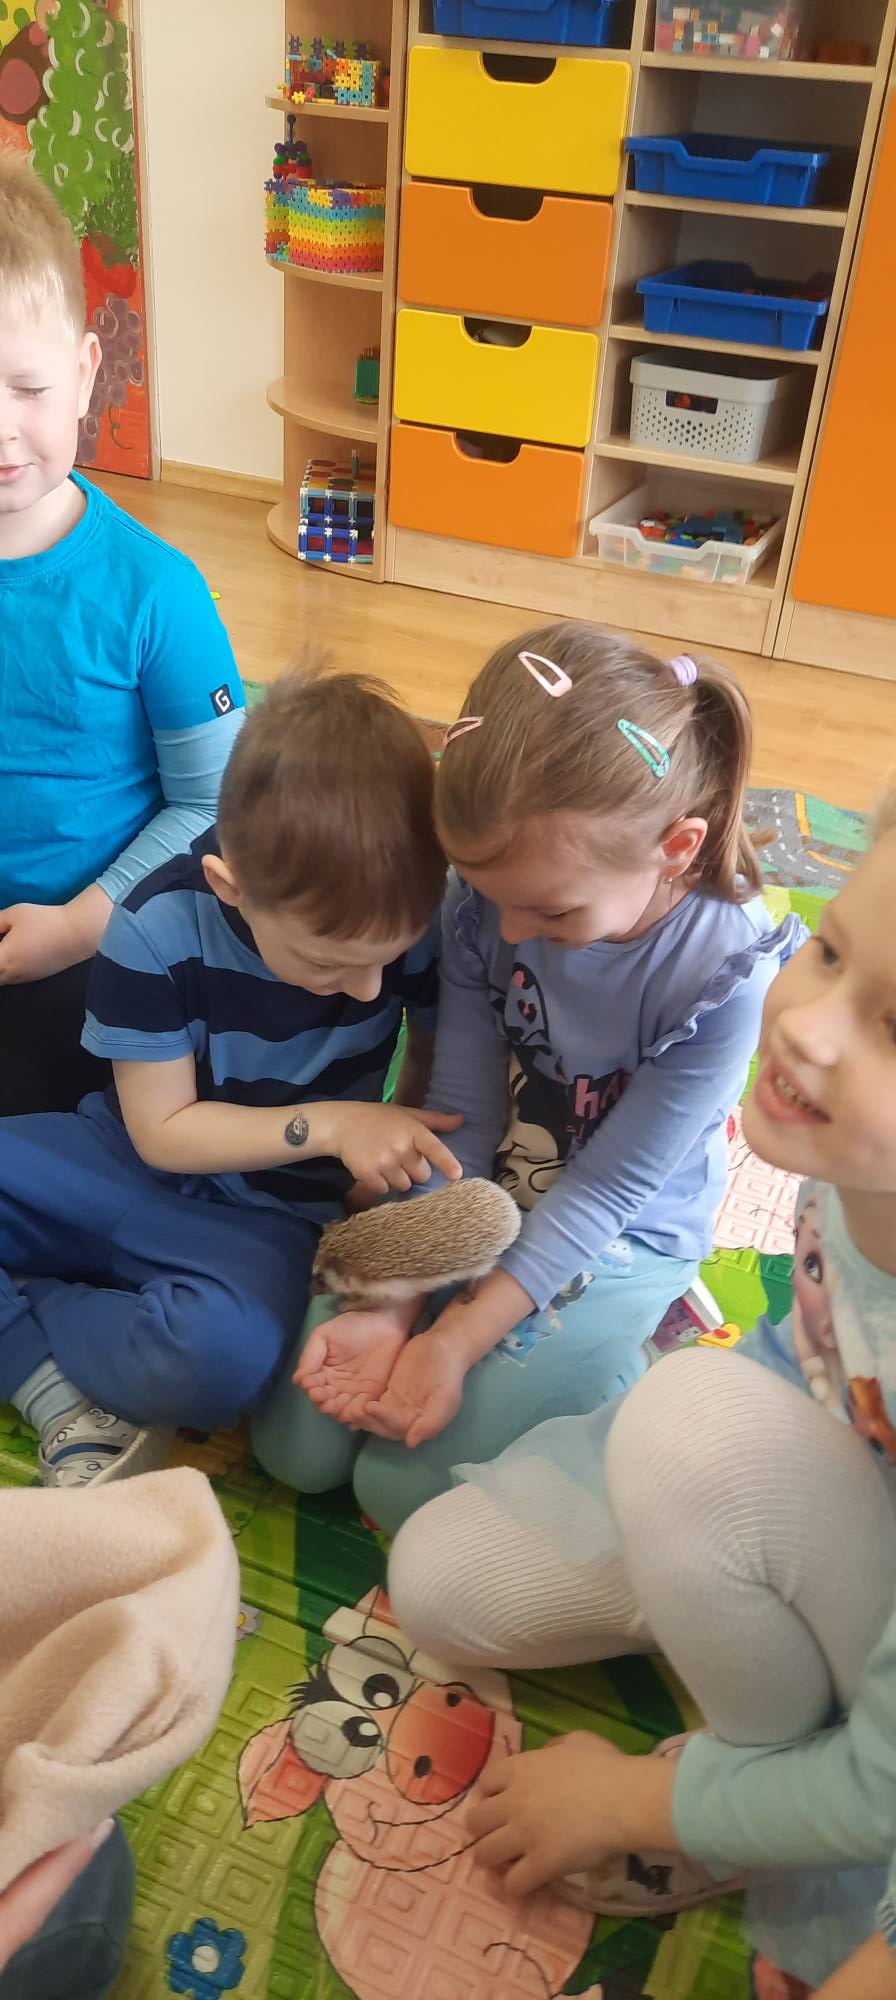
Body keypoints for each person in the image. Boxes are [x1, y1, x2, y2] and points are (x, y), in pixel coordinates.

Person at [388, 795, 896, 1998]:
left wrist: (637, 1798)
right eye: (830, 948)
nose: (807, 1024)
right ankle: (771, 1731)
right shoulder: (850, 1166)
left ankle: (755, 1791)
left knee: (682, 1419)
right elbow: (808, 1349)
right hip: (823, 1496)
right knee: (439, 1579)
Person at [253, 621, 801, 1532]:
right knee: (299, 1452)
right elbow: (461, 1115)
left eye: (549, 911)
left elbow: (610, 1190)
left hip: (623, 1230)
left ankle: (628, 1363)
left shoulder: (725, 975)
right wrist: (396, 1307)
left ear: (675, 848)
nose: (508, 934)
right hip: (485, 1193)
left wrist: (455, 1340)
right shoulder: (489, 903)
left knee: (398, 1490)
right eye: (489, 898)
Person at [0, 671, 456, 1487]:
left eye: (385, 960)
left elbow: (427, 1057)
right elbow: (162, 1133)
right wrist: (335, 1124)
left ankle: (31, 1317)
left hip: (269, 1218)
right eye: (328, 963)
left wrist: (389, 1150)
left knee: (219, 1361)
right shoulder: (153, 925)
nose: (367, 991)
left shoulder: (404, 916)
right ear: (229, 887)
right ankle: (51, 1373)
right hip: (123, 1156)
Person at [0, 155, 244, 1116]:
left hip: (95, 940)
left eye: (27, 387)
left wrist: (74, 927)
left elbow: (212, 804)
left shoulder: (157, 592)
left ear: (85, 375)